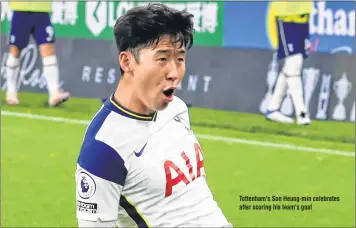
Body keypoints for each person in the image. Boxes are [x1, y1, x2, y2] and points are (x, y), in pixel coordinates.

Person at [75, 3, 232, 228]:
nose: (174, 73)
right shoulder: (103, 148)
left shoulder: (176, 108)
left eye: (180, 58)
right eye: (162, 59)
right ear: (127, 62)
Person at [6, 1, 70, 106]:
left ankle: (54, 94)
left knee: (48, 48)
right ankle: (11, 92)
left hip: (42, 10)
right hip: (20, 9)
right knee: (15, 50)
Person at [265, 1, 313, 125]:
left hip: (302, 17)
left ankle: (272, 109)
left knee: (291, 67)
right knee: (295, 64)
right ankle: (302, 113)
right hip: (285, 17)